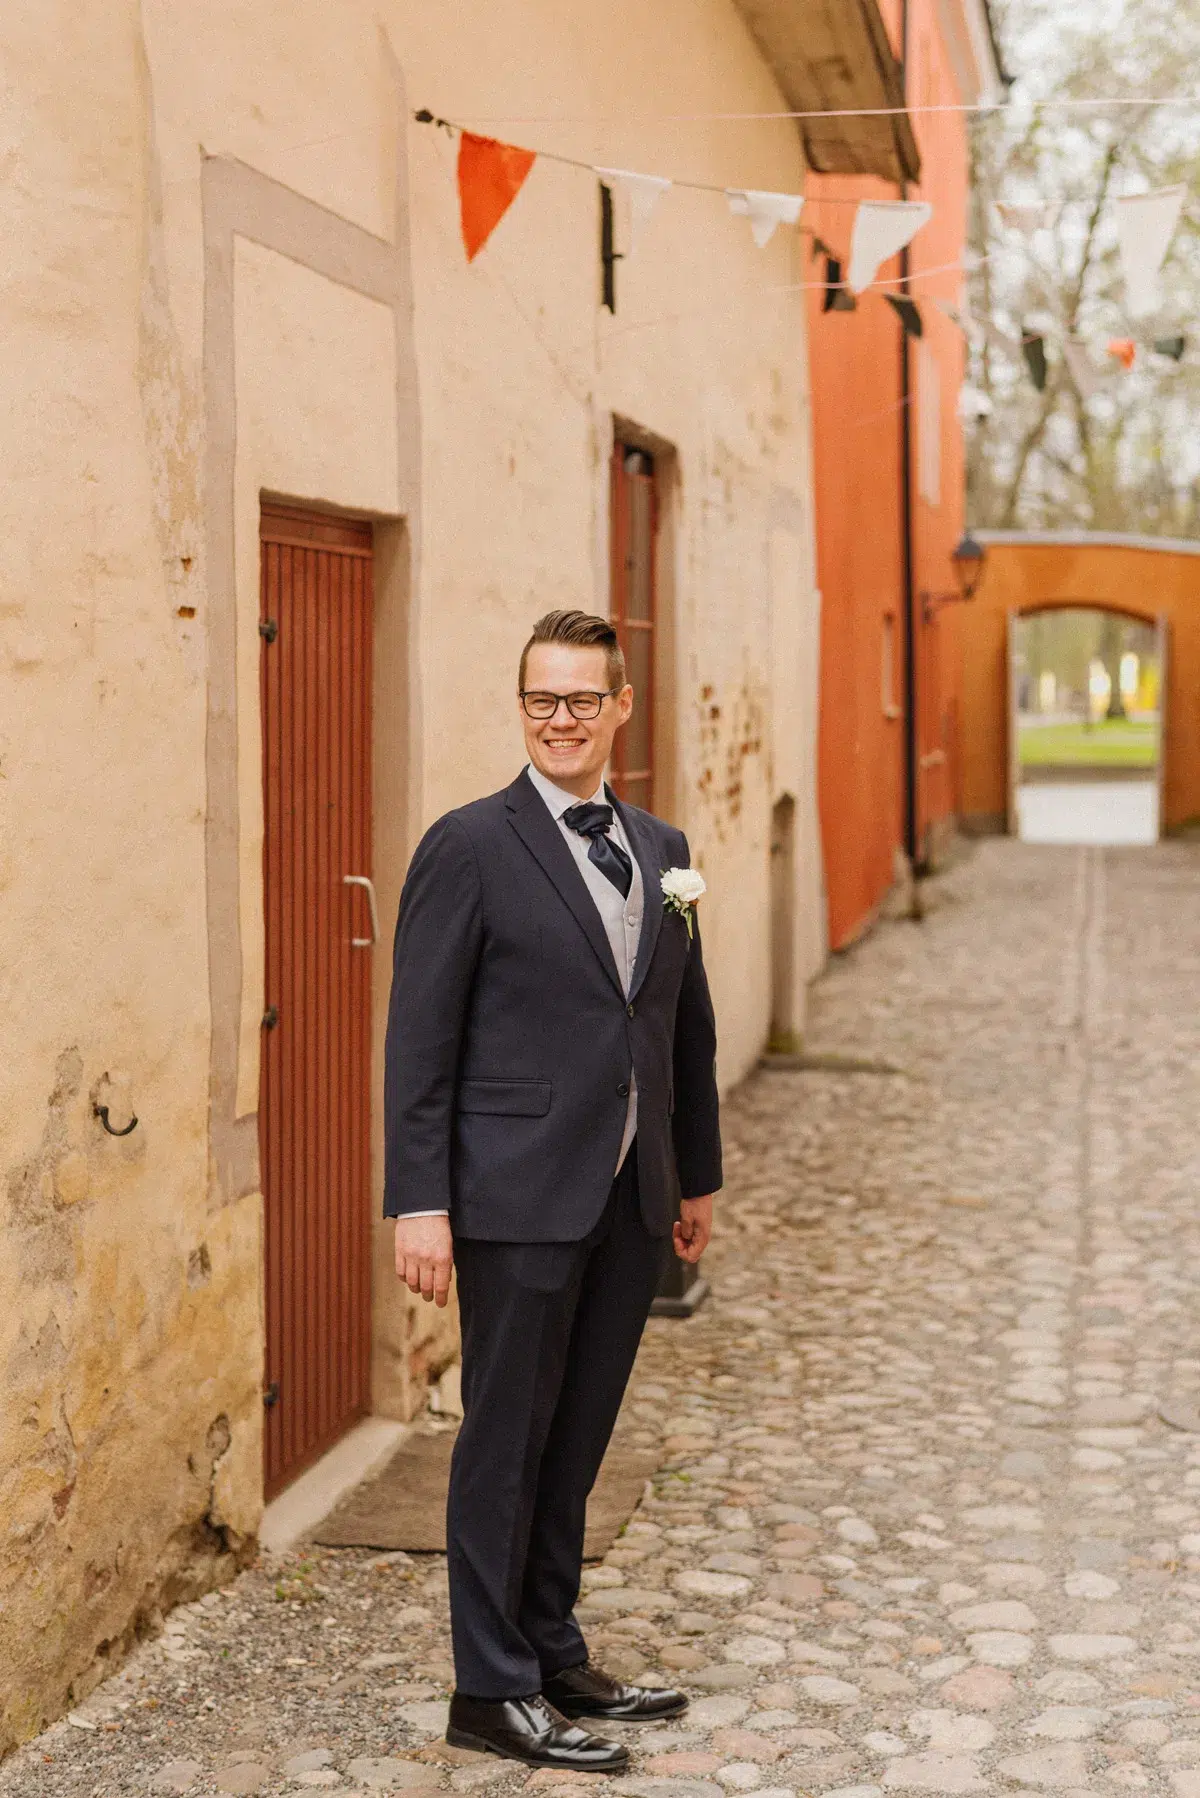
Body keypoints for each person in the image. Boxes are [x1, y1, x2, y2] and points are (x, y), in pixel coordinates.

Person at [383, 608, 722, 1771]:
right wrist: (419, 1202)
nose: (561, 718)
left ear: (621, 706)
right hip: (514, 1195)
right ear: (521, 706)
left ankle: (550, 1647)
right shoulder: (469, 845)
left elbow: (682, 1025)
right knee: (504, 1440)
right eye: (542, 699)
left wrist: (696, 1172)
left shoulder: (665, 847)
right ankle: (489, 1688)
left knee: (577, 1434)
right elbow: (419, 1043)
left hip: (630, 1197)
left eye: (582, 698)